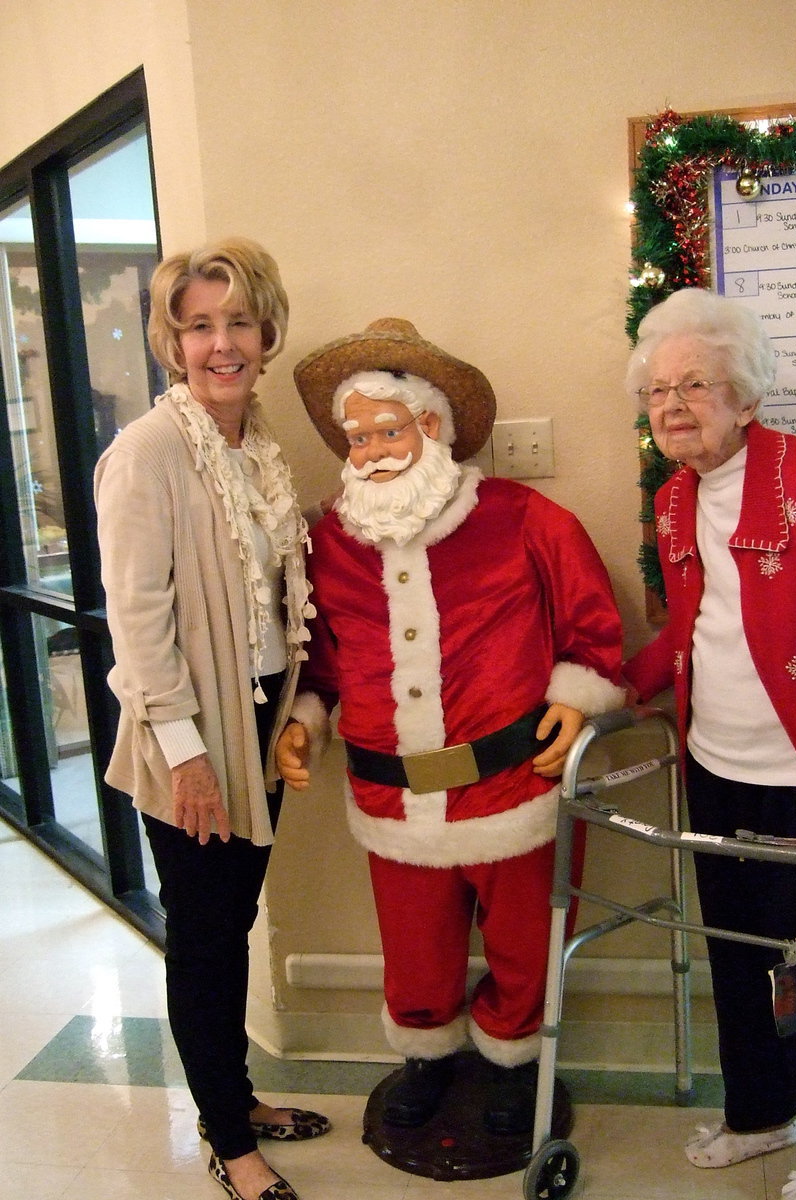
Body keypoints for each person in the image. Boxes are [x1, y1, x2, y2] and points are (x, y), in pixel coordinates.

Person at [277, 318, 625, 1135]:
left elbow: (591, 625)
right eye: (356, 438)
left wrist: (578, 698)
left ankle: (513, 1057)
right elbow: (320, 659)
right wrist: (305, 722)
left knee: (523, 941)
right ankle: (425, 1054)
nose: (369, 452)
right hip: (391, 799)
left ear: (431, 427)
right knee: (415, 943)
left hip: (513, 787)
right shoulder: (329, 542)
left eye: (386, 430)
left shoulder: (525, 518)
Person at [622, 287, 796, 1200]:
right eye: (658, 389)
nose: (672, 405)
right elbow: (693, 629)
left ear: (746, 395)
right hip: (717, 768)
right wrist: (612, 691)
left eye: (695, 384)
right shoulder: (672, 501)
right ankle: (760, 1114)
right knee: (737, 952)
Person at [94, 237, 328, 1200]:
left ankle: (232, 1095)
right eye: (199, 326)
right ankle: (231, 1142)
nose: (220, 343)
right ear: (171, 341)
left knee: (231, 921)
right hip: (189, 731)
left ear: (266, 332)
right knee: (203, 934)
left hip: (262, 716)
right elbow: (138, 624)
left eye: (237, 321)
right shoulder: (148, 452)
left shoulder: (255, 444)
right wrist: (186, 757)